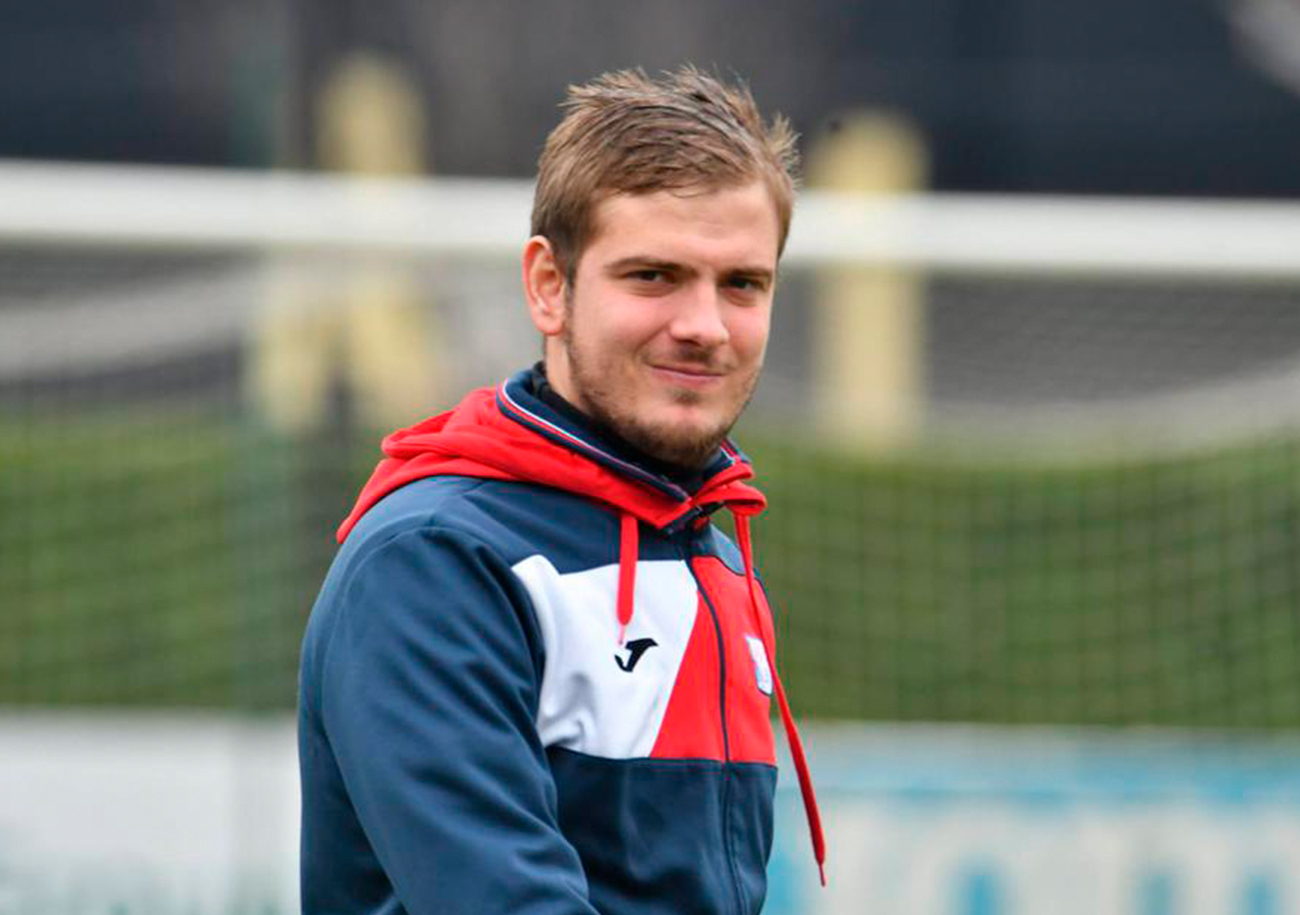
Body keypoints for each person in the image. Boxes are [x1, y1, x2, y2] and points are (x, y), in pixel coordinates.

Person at [297, 65, 825, 915]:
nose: (704, 325)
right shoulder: (434, 561)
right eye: (653, 276)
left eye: (742, 284)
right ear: (549, 285)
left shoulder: (714, 560)